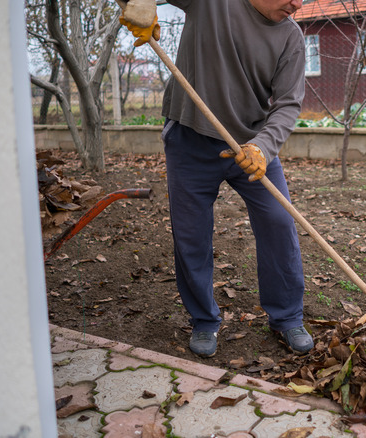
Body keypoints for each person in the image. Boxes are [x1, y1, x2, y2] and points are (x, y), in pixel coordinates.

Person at [118, 0, 312, 357]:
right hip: (190, 140)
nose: (298, 5)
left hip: (251, 148)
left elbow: (287, 104)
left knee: (279, 222)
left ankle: (287, 317)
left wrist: (263, 147)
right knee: (191, 233)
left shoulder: (291, 37)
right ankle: (204, 321)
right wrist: (142, 2)